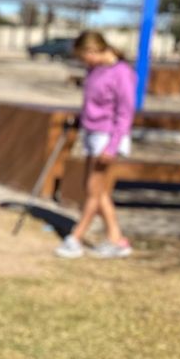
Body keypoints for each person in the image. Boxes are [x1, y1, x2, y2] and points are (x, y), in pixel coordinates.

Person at [54, 30, 137, 259]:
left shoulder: (122, 73)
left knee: (93, 189)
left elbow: (125, 112)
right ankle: (116, 238)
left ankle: (76, 237)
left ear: (93, 50)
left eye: (84, 56)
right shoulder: (95, 70)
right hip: (91, 133)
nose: (83, 61)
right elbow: (93, 103)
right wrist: (80, 119)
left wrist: (112, 146)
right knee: (96, 191)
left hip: (108, 136)